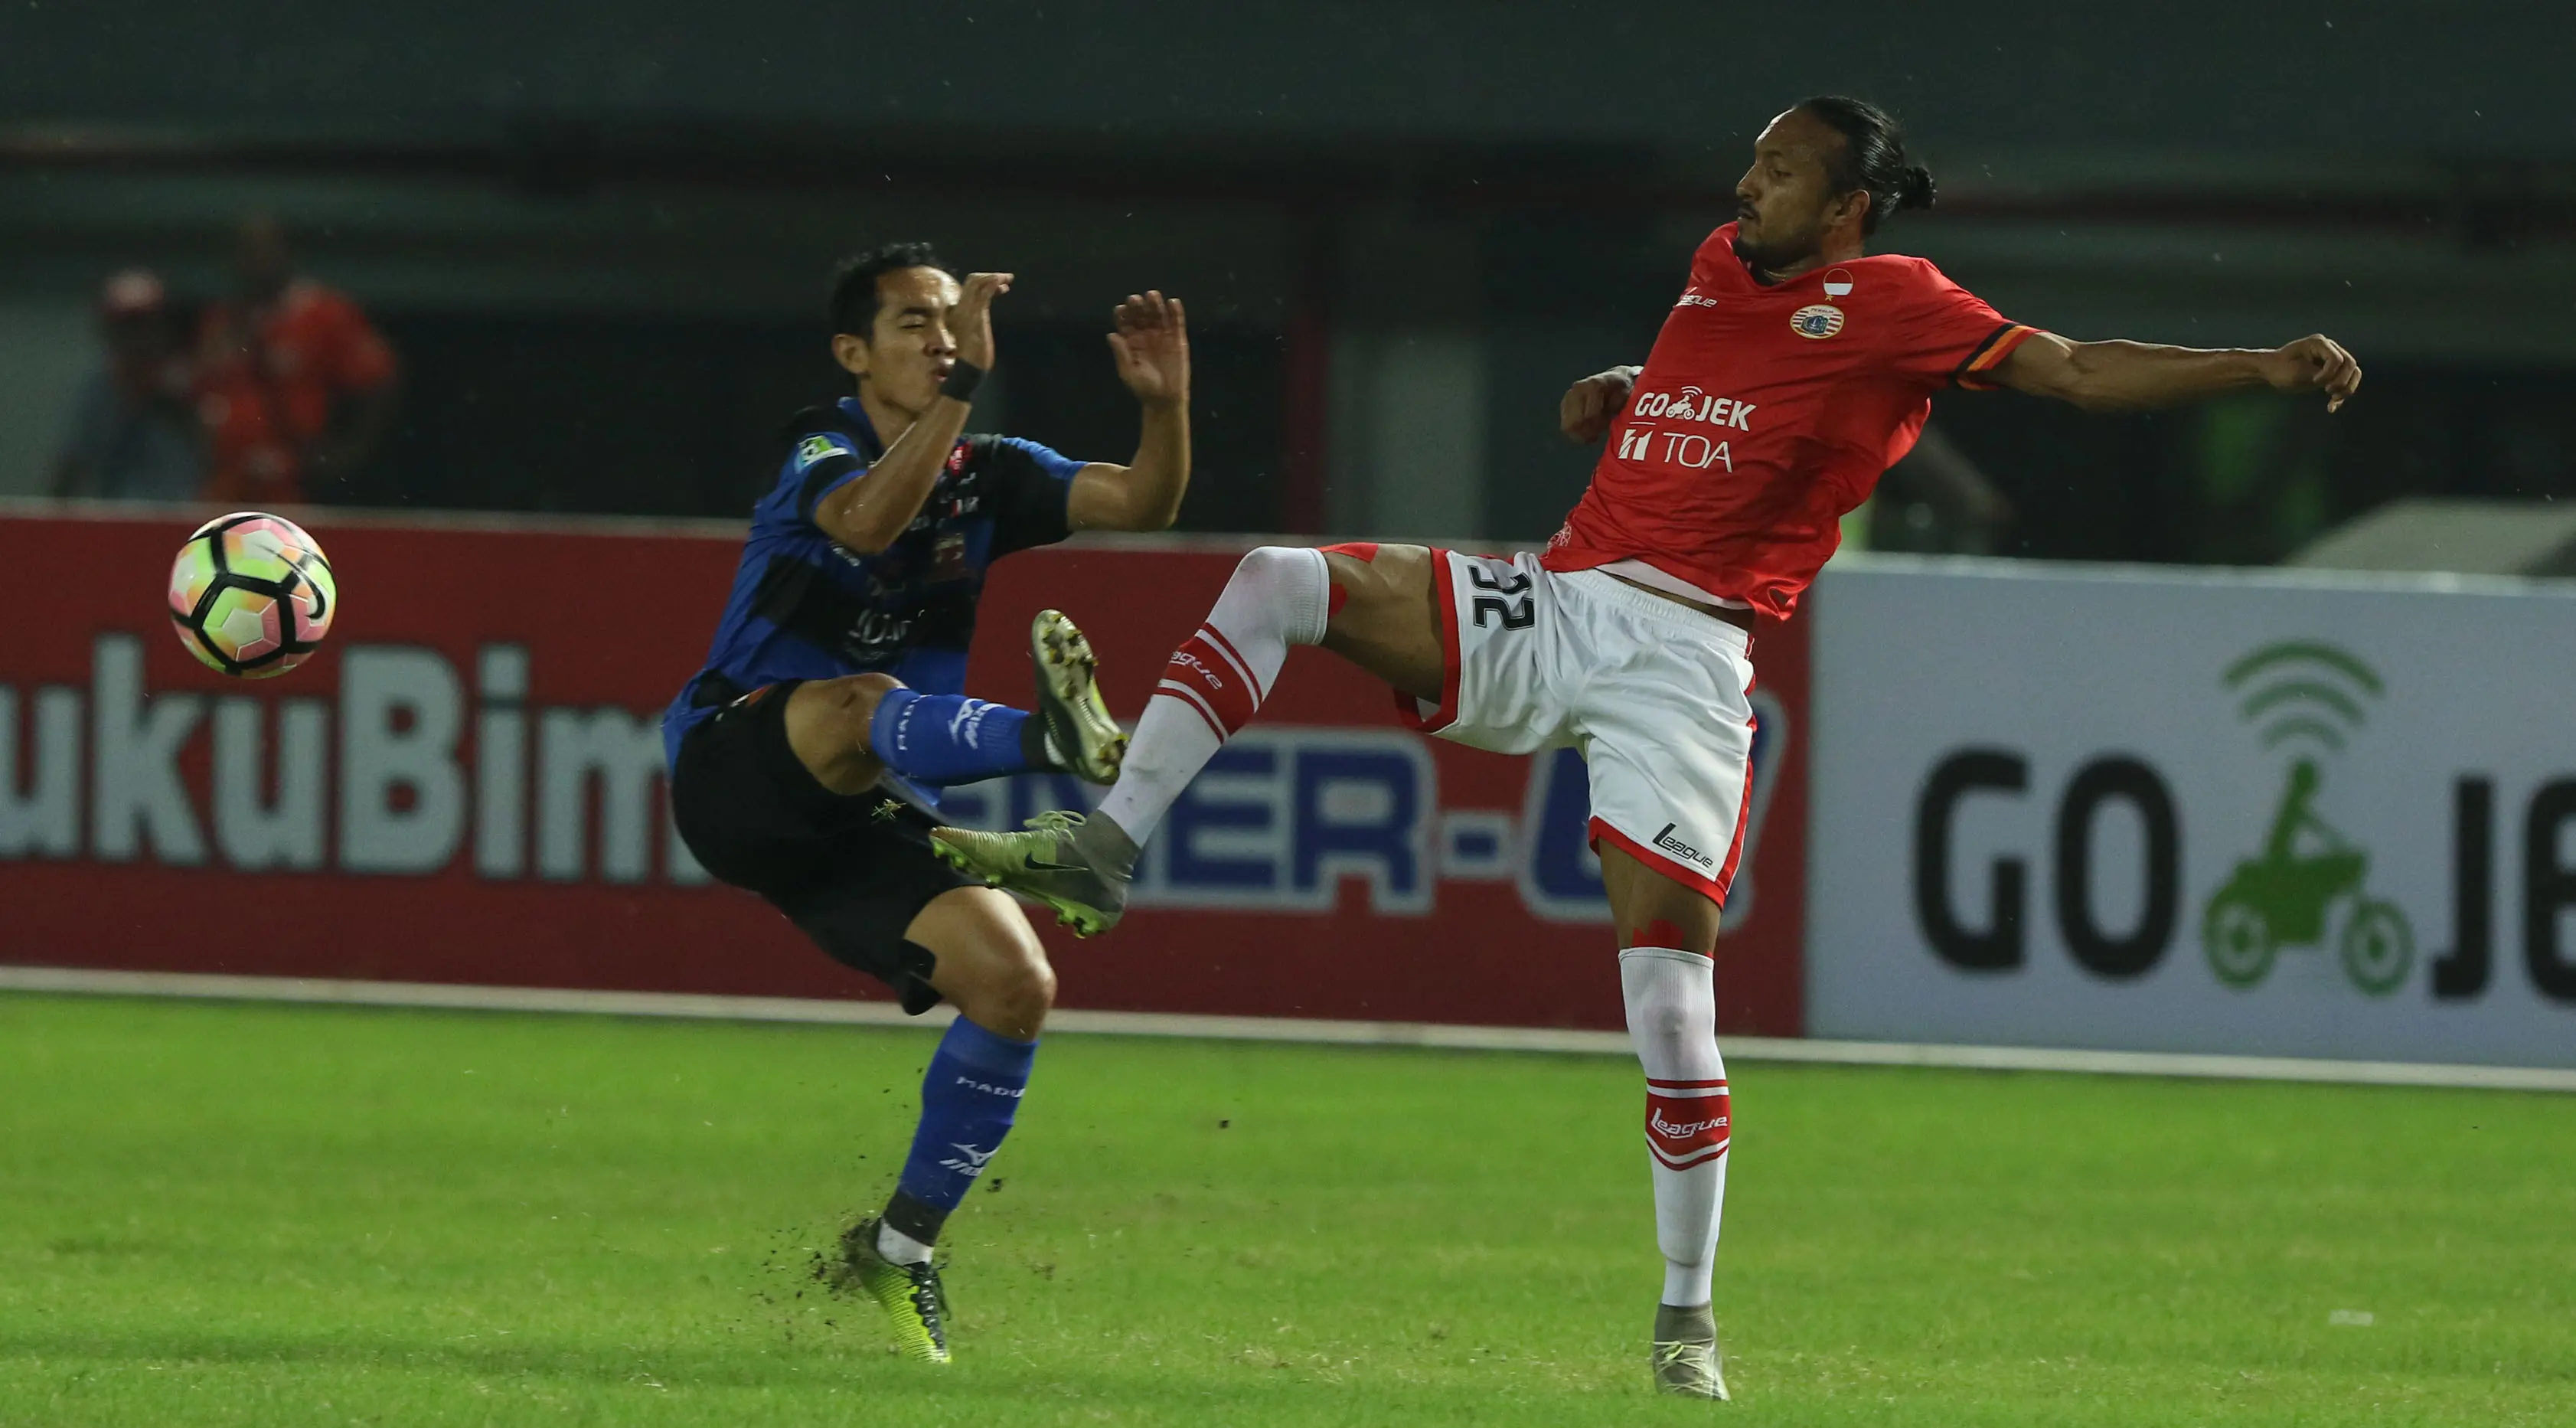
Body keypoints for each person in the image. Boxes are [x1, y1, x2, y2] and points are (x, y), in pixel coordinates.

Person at [929, 96, 2362, 1399]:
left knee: (1672, 1004)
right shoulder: (1723, 267)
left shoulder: (1901, 301)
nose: (1749, 185)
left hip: (1686, 659)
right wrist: (1627, 391)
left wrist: (2257, 366)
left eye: (1781, 169)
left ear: (1849, 201)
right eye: (1752, 161)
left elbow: (2074, 372)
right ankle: (1110, 842)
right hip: (1558, 601)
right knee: (1282, 578)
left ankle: (1687, 1317)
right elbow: (1721, 376)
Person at [661, 242, 1193, 1364]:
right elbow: (861, 525)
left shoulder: (991, 469)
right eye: (913, 322)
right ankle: (1047, 739)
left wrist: (1166, 408)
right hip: (740, 765)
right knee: (862, 698)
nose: (941, 339)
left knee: (1016, 984)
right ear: (854, 352)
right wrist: (958, 399)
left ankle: (899, 1247)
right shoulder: (823, 444)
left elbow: (1144, 501)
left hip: (855, 815)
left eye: (950, 322)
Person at [194, 215, 400, 505]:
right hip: (227, 485)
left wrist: (347, 455)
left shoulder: (322, 313)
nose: (257, 259)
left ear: (285, 252)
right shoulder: (222, 319)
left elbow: (380, 380)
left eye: (265, 249)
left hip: (292, 487)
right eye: (248, 250)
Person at [50, 270, 203, 502]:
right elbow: (71, 467)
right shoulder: (98, 394)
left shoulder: (189, 388)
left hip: (179, 521)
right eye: (124, 326)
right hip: (115, 522)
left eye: (143, 324)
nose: (134, 337)